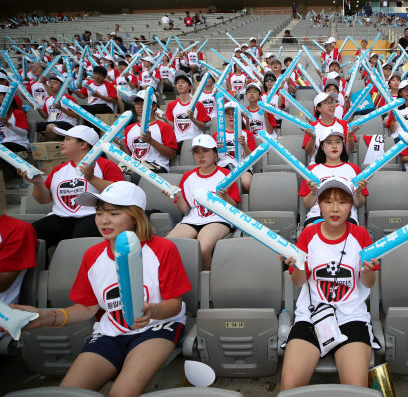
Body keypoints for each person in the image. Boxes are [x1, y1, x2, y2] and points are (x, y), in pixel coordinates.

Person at [1, 182, 192, 397]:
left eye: (114, 213)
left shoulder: (163, 249)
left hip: (158, 327)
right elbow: (87, 307)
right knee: (67, 394)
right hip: (110, 331)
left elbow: (175, 304)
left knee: (121, 393)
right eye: (99, 213)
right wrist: (46, 317)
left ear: (136, 216)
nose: (104, 220)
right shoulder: (92, 255)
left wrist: (152, 311)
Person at [279, 177, 380, 391]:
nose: (335, 209)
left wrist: (367, 270)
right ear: (319, 205)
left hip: (351, 316)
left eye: (343, 202)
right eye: (328, 202)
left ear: (351, 206)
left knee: (356, 389)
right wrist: (297, 266)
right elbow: (298, 282)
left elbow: (368, 283)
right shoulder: (308, 234)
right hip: (312, 316)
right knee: (289, 388)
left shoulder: (361, 235)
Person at [21, 125, 124, 251]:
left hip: (93, 216)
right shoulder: (59, 169)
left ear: (83, 145)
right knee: (26, 235)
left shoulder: (106, 165)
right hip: (60, 217)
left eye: (67, 139)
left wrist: (91, 178)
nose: (62, 142)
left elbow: (119, 193)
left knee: (79, 241)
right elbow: (44, 200)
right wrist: (38, 183)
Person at [166, 135, 241, 270]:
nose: (201, 155)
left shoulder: (226, 174)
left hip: (219, 218)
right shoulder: (187, 176)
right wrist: (179, 196)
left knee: (203, 249)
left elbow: (233, 206)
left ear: (215, 152)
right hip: (193, 219)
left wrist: (224, 196)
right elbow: (184, 209)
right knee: (168, 245)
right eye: (196, 151)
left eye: (205, 150)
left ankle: (208, 284)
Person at [300, 128, 368, 226]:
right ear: (322, 146)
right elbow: (307, 204)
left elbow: (360, 204)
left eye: (338, 142)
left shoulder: (354, 168)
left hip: (346, 217)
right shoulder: (310, 170)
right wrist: (314, 192)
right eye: (329, 142)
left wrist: (357, 192)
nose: (334, 146)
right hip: (316, 216)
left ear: (342, 145)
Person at [116, 90, 177, 183]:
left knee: (136, 178)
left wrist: (151, 141)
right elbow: (129, 154)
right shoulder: (129, 128)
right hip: (133, 165)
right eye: (137, 103)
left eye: (143, 103)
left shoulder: (164, 127)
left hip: (156, 166)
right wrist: (122, 145)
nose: (139, 106)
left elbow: (172, 154)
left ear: (154, 106)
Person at [212, 102, 256, 194]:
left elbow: (252, 158)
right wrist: (215, 149)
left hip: (243, 166)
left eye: (234, 113)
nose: (231, 116)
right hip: (223, 166)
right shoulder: (217, 135)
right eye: (228, 113)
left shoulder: (247, 134)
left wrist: (244, 144)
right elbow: (214, 160)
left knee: (247, 184)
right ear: (224, 116)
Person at [304, 93, 356, 165]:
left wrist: (350, 136)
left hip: (341, 164)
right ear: (319, 108)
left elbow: (350, 149)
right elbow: (309, 152)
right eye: (327, 102)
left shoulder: (344, 124)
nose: (332, 105)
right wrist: (313, 138)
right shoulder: (312, 126)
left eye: (332, 102)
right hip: (318, 165)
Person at [165, 71, 210, 152]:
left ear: (190, 87)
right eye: (178, 83)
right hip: (178, 141)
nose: (180, 84)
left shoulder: (198, 104)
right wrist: (165, 118)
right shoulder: (171, 105)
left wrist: (192, 118)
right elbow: (172, 127)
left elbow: (203, 126)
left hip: (194, 141)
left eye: (183, 82)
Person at [0, 84, 30, 153]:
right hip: (3, 142)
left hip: (19, 143)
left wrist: (7, 124)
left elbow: (24, 133)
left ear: (6, 98)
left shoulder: (18, 113)